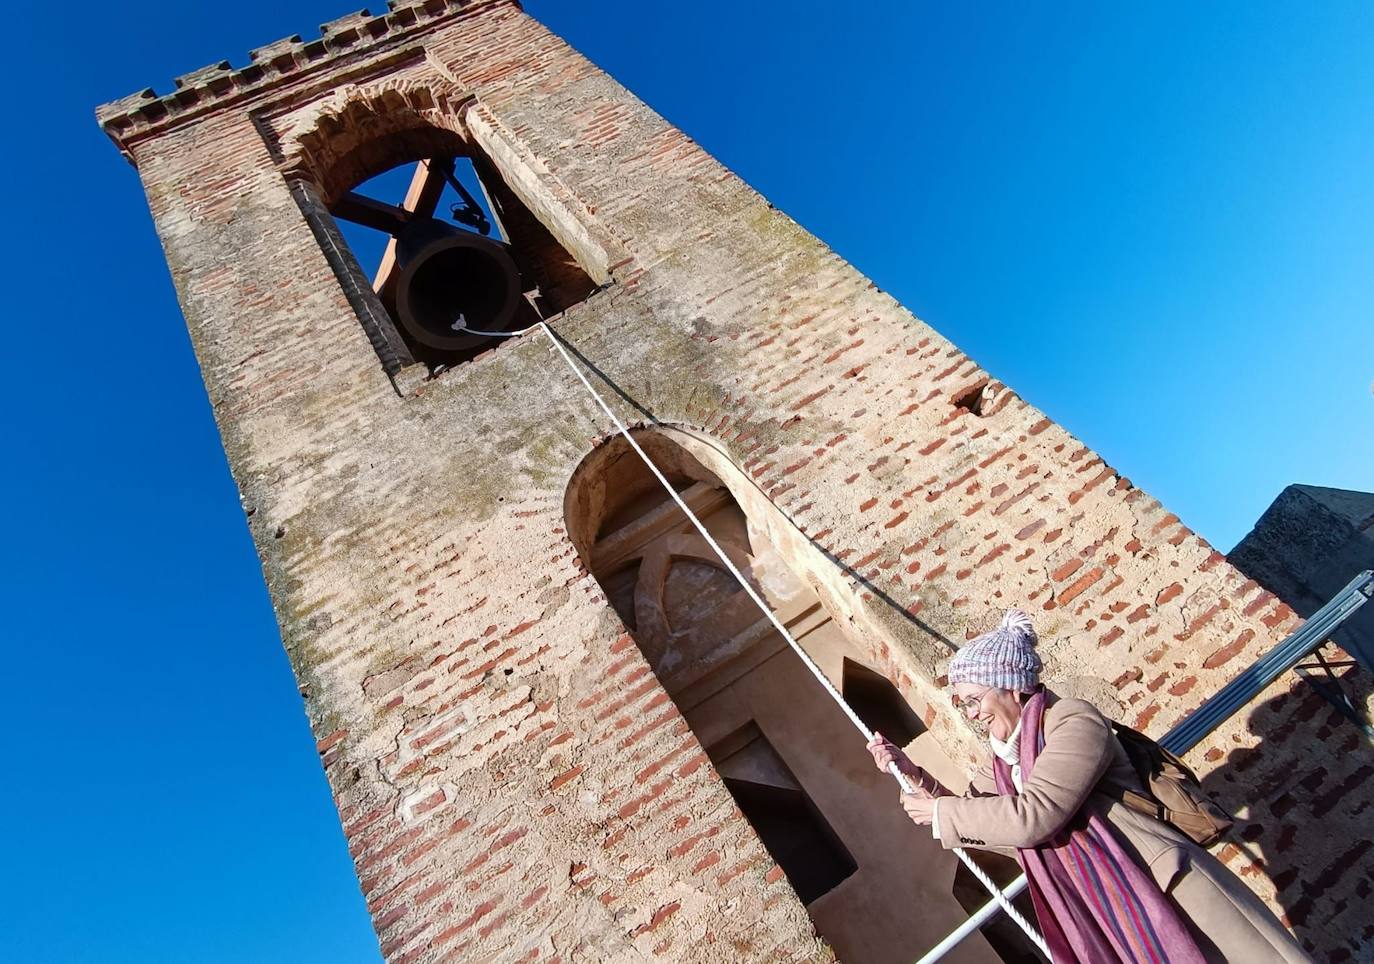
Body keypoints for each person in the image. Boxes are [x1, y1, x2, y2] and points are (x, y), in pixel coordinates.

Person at [866, 609, 1309, 964]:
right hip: (1108, 909)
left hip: (1162, 886)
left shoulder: (1073, 720)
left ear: (1011, 688)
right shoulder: (1003, 763)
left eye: (974, 700)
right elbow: (989, 823)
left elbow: (1035, 816)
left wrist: (941, 813)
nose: (974, 715)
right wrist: (914, 774)